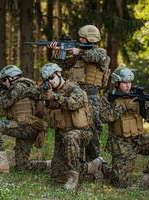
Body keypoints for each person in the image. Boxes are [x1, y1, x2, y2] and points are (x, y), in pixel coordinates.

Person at [48, 25, 111, 161]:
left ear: (89, 39)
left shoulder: (100, 52)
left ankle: (94, 161)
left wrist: (79, 51)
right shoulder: (78, 54)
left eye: (82, 38)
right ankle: (74, 161)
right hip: (75, 94)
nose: (80, 39)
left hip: (91, 96)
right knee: (73, 125)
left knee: (92, 126)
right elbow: (63, 65)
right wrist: (57, 51)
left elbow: (96, 57)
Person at [39, 63, 105, 190]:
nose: (50, 82)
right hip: (62, 133)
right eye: (47, 80)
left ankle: (74, 177)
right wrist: (46, 99)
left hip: (82, 132)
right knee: (58, 176)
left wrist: (55, 97)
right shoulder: (51, 93)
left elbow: (73, 104)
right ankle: (93, 166)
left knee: (71, 136)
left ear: (59, 74)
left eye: (51, 77)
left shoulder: (74, 88)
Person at [100, 67, 149, 189]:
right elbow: (105, 117)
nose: (128, 86)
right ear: (116, 83)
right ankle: (101, 166)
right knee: (120, 184)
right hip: (120, 143)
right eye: (124, 83)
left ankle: (147, 179)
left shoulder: (137, 97)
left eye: (129, 82)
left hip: (139, 139)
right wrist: (124, 106)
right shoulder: (108, 98)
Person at [0, 65, 50, 173]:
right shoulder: (26, 85)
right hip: (30, 126)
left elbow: (4, 103)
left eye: (4, 80)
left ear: (12, 77)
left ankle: (2, 163)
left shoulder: (19, 86)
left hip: (25, 126)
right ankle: (52, 164)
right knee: (22, 167)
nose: (3, 83)